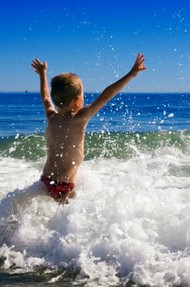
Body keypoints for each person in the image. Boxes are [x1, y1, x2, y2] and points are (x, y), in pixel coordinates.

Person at [31, 54, 145, 203]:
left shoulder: (51, 116)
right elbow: (107, 94)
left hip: (45, 181)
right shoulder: (80, 118)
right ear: (77, 99)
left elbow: (45, 97)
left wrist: (42, 74)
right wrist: (131, 74)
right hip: (65, 186)